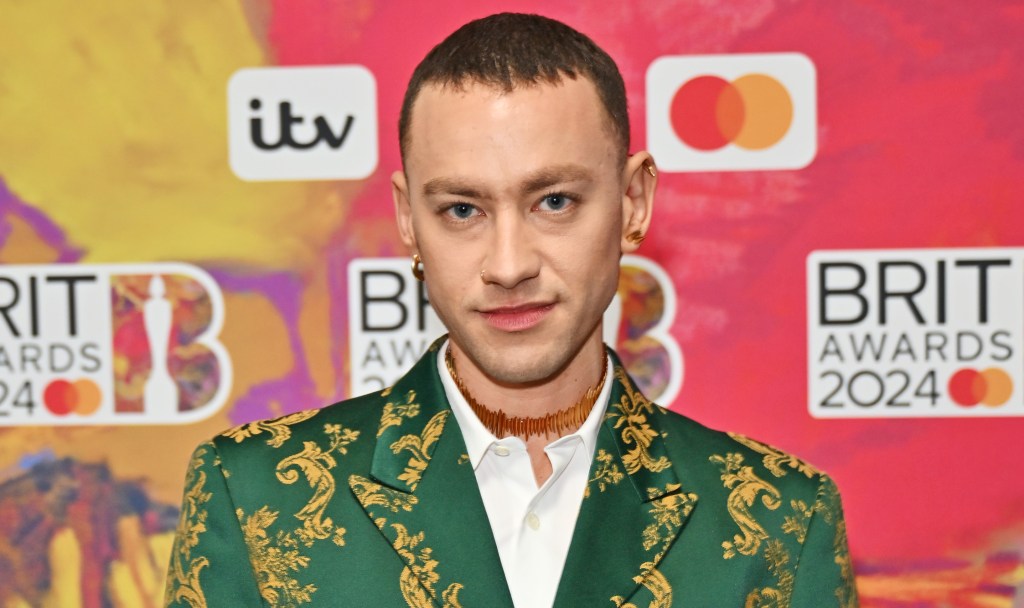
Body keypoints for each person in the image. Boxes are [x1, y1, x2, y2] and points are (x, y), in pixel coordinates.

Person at [164, 13, 857, 608]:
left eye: (553, 202)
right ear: (409, 220)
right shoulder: (255, 497)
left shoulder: (780, 518)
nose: (507, 264)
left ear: (634, 202)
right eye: (461, 210)